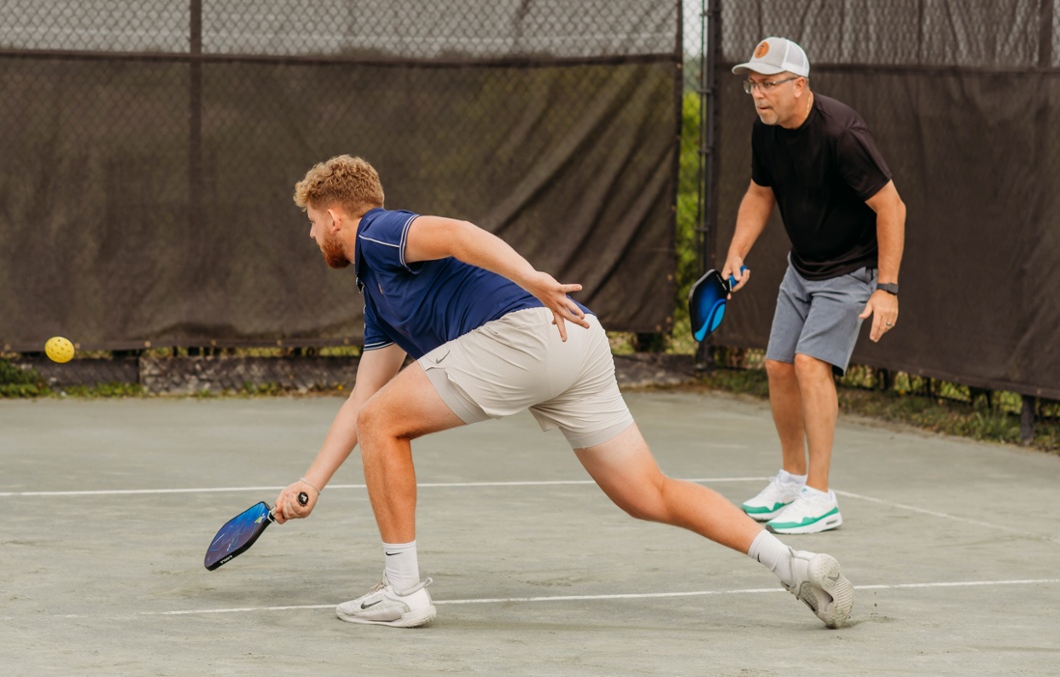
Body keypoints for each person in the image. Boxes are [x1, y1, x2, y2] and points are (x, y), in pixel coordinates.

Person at [272, 154, 854, 629]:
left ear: (335, 216)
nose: (311, 233)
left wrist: (530, 278)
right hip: (574, 338)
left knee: (384, 422)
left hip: (527, 331)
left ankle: (402, 591)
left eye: (311, 222)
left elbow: (457, 234)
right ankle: (792, 564)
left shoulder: (376, 232)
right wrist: (311, 482)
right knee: (647, 493)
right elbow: (360, 400)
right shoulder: (378, 298)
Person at [722, 37, 907, 534]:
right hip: (801, 268)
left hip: (851, 272)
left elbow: (892, 207)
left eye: (768, 84)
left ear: (799, 85)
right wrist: (737, 252)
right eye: (752, 86)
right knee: (778, 366)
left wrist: (886, 289)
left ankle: (821, 497)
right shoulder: (766, 131)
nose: (758, 95)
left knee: (809, 364)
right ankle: (790, 479)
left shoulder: (843, 133)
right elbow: (760, 194)